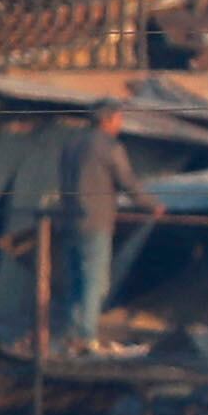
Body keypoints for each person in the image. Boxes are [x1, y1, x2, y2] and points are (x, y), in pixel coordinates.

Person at [66, 99, 128, 351]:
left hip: (69, 219)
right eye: (119, 118)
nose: (121, 124)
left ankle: (71, 334)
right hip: (96, 221)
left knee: (77, 280)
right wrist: (152, 205)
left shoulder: (71, 144)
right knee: (95, 281)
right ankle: (87, 336)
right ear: (108, 119)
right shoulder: (109, 146)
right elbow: (127, 180)